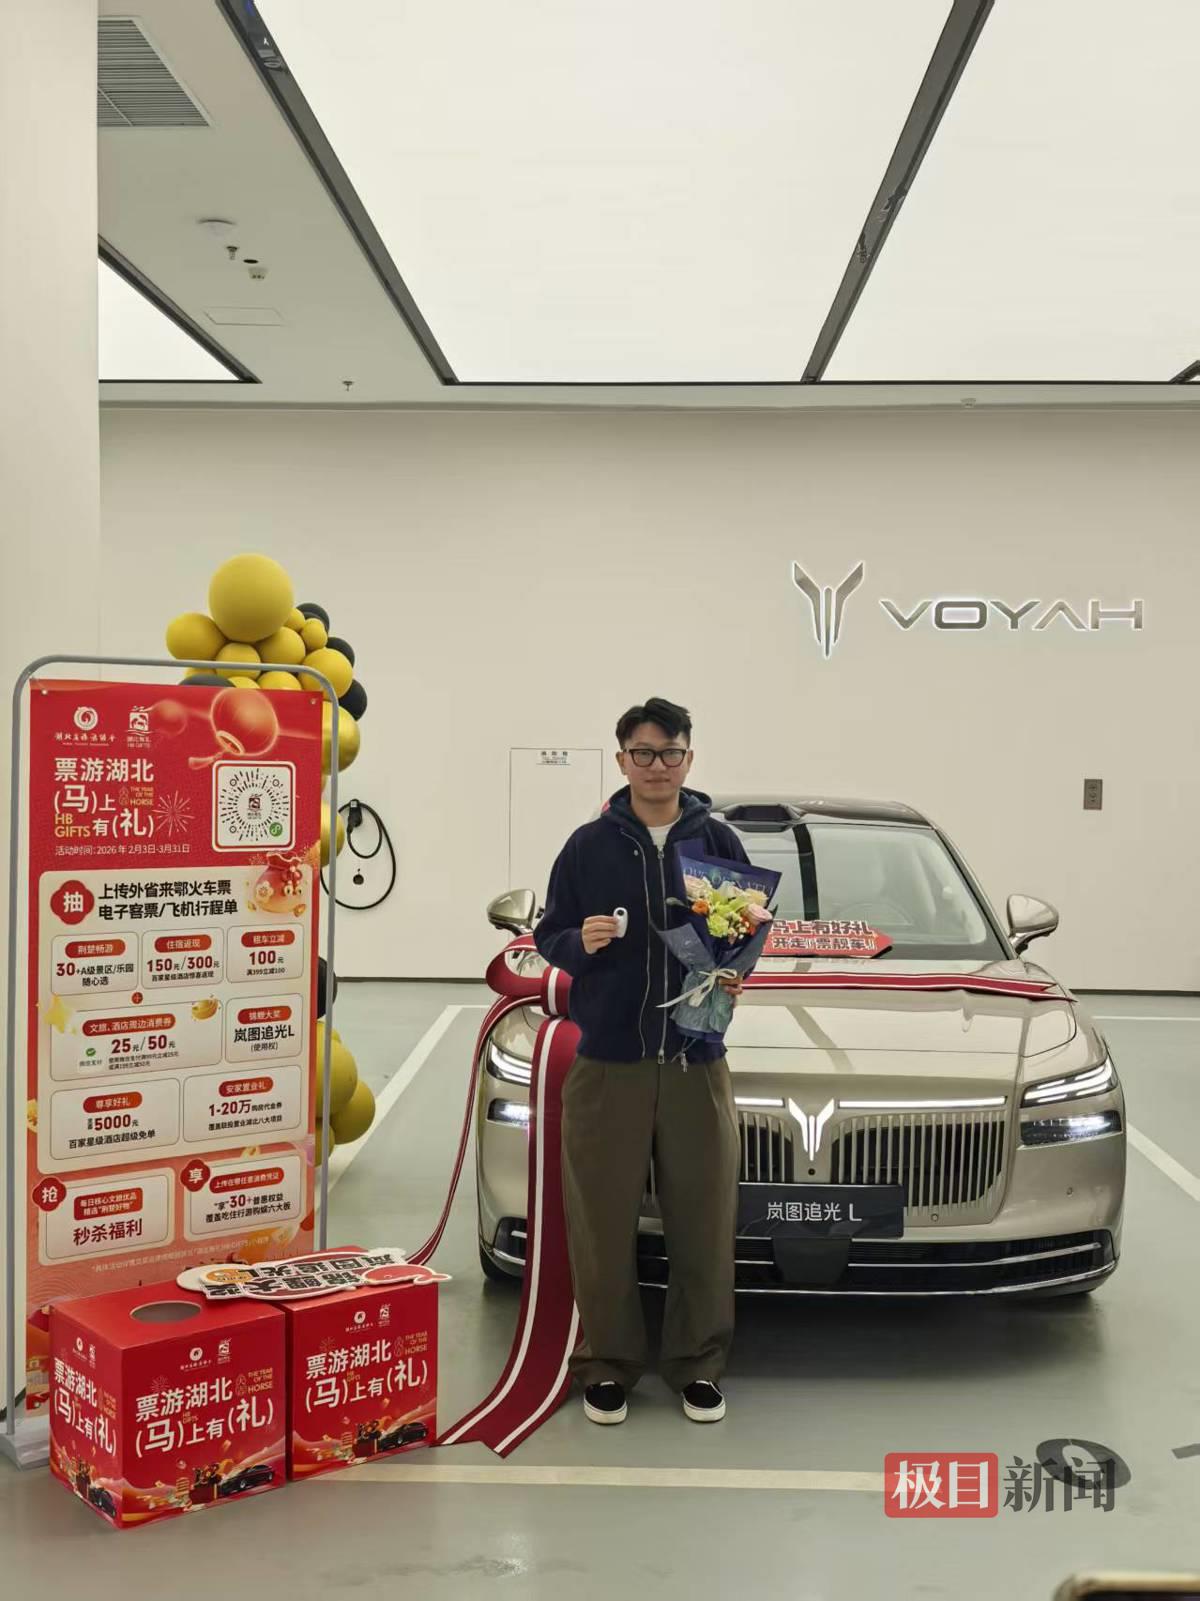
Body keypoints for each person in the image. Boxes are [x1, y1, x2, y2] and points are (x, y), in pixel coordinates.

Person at [533, 696, 750, 1426]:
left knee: (703, 1219)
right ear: (622, 758)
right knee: (600, 1221)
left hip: (696, 1061)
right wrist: (579, 943)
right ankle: (609, 1364)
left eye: (671, 752)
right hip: (610, 1063)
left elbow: (746, 933)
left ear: (690, 758)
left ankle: (698, 1364)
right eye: (644, 753)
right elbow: (549, 932)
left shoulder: (717, 841)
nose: (658, 766)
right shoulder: (588, 846)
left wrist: (734, 969)